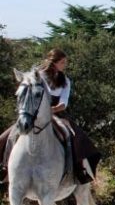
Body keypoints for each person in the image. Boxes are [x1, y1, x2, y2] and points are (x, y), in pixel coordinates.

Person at [1, 49, 101, 184]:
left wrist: (51, 110)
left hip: (57, 113)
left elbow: (63, 103)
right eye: (62, 62)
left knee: (75, 136)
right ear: (53, 62)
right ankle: (4, 166)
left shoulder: (65, 80)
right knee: (10, 135)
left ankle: (79, 170)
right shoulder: (38, 76)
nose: (64, 65)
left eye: (65, 62)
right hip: (34, 113)